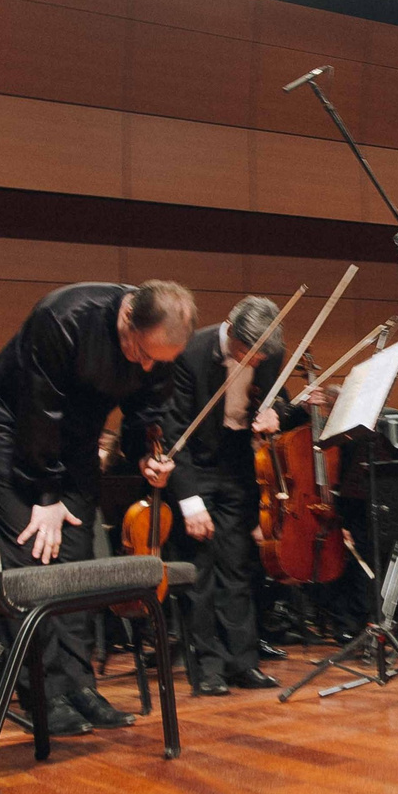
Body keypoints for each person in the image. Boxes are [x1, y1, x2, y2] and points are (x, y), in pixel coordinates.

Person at [0, 280, 193, 735]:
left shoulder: (154, 350)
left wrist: (148, 456)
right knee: (32, 560)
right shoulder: (65, 317)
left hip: (74, 440)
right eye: (143, 353)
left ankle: (77, 686)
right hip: (11, 431)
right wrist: (46, 496)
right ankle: (42, 694)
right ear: (127, 317)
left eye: (160, 361)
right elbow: (39, 412)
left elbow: (146, 414)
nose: (149, 365)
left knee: (75, 561)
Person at [167, 296, 286, 695]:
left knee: (238, 566)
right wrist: (189, 499)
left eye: (261, 356)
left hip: (238, 464)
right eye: (246, 353)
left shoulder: (268, 351)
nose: (254, 362)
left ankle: (242, 663)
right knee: (200, 569)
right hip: (196, 465)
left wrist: (275, 414)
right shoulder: (189, 352)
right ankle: (207, 668)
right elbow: (172, 431)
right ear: (231, 330)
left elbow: (276, 399)